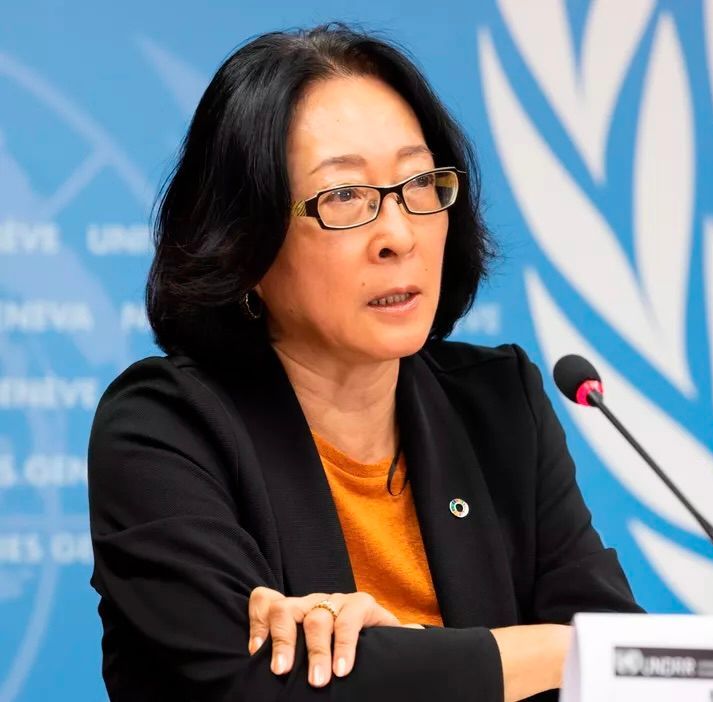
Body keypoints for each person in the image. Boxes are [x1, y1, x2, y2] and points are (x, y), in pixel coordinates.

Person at [86, 24, 641, 702]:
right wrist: (559, 651)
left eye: (419, 182)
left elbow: (625, 665)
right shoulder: (162, 428)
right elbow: (258, 690)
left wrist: (394, 655)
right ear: (245, 241)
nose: (399, 234)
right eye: (343, 197)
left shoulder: (498, 404)